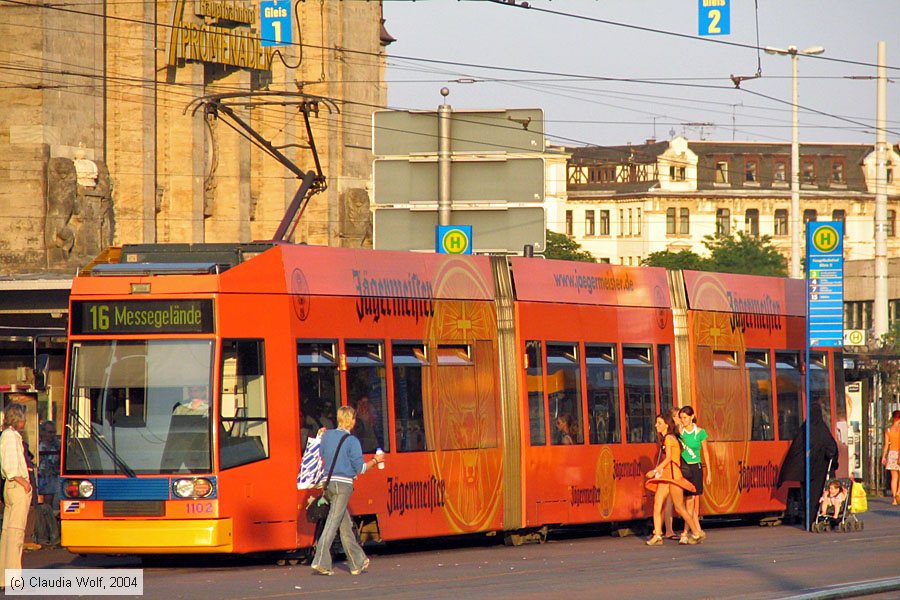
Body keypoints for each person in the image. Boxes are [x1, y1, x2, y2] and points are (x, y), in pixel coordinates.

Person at [311, 405, 384, 576]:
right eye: (354, 419)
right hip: (342, 486)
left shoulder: (327, 435)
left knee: (345, 526)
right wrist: (375, 460)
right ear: (351, 421)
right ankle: (320, 560)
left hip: (327, 484)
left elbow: (319, 452)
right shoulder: (352, 442)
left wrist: (320, 435)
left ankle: (357, 562)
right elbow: (361, 468)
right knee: (332, 523)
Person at [776, 403, 838, 528]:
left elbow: (795, 449)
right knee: (817, 494)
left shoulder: (804, 429)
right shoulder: (822, 430)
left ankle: (807, 519)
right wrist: (833, 461)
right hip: (820, 470)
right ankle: (814, 518)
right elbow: (831, 448)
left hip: (806, 470)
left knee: (806, 494)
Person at [645, 413, 703, 546]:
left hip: (673, 477)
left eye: (659, 423)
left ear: (666, 425)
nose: (656, 426)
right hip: (667, 476)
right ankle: (658, 534)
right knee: (657, 504)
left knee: (679, 508)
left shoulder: (669, 439)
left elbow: (669, 458)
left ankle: (696, 531)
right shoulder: (666, 438)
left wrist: (655, 471)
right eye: (656, 423)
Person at [0, 403, 34, 586]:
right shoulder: (12, 437)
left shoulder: (6, 435)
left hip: (9, 488)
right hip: (17, 486)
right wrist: (25, 483)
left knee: (7, 533)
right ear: (18, 418)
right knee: (16, 534)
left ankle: (3, 576)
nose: (26, 420)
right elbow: (11, 466)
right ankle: (13, 578)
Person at [677, 406, 711, 543]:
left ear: (692, 417)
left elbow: (706, 452)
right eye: (681, 418)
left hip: (696, 468)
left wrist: (709, 472)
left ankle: (685, 533)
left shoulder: (700, 433)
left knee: (690, 502)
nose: (682, 420)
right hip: (683, 468)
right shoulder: (680, 433)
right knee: (685, 502)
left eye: (685, 417)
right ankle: (693, 531)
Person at [880, 410, 900, 505]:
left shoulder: (888, 430)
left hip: (891, 453)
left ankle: (894, 499)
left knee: (894, 477)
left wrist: (884, 456)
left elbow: (886, 445)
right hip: (899, 452)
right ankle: (898, 492)